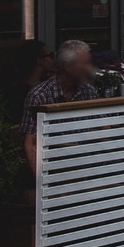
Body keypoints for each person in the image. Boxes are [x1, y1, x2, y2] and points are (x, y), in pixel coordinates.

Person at [21, 40, 99, 174]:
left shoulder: (88, 90)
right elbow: (31, 144)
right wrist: (42, 182)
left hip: (85, 166)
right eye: (85, 63)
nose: (89, 68)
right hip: (54, 168)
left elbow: (101, 128)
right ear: (67, 67)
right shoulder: (39, 96)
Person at [7, 39, 54, 133]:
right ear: (39, 60)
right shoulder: (26, 93)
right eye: (51, 56)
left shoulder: (48, 85)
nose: (54, 60)